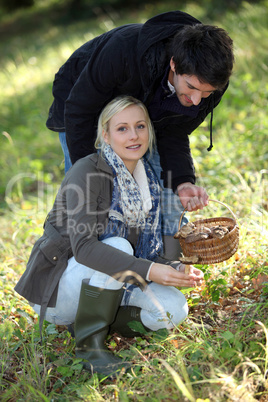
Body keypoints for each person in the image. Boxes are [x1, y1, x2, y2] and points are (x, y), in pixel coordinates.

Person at [15, 96, 204, 376]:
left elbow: (149, 254)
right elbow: (85, 250)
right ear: (105, 134)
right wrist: (151, 270)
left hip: (116, 283)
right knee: (116, 246)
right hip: (60, 290)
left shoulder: (148, 179)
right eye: (122, 128)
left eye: (140, 126)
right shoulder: (87, 171)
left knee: (172, 310)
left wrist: (175, 270)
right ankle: (89, 347)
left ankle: (100, 318)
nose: (134, 136)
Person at [46, 10, 234, 260]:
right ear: (174, 64)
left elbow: (173, 132)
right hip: (84, 104)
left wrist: (182, 181)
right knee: (92, 195)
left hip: (145, 108)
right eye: (191, 87)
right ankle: (80, 271)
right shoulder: (123, 51)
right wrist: (93, 175)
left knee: (166, 186)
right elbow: (80, 111)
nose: (196, 100)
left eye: (206, 92)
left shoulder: (211, 82)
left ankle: (166, 262)